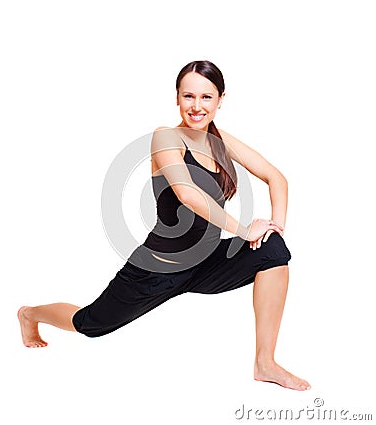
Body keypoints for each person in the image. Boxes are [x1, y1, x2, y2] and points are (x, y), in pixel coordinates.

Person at [18, 60, 311, 391]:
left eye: (206, 97)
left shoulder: (220, 140)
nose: (197, 106)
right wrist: (245, 230)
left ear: (220, 99)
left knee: (274, 251)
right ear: (177, 98)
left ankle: (264, 362)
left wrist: (275, 227)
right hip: (158, 266)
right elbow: (188, 195)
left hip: (206, 262)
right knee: (90, 324)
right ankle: (31, 314)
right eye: (189, 96)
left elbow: (277, 177)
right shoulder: (165, 138)